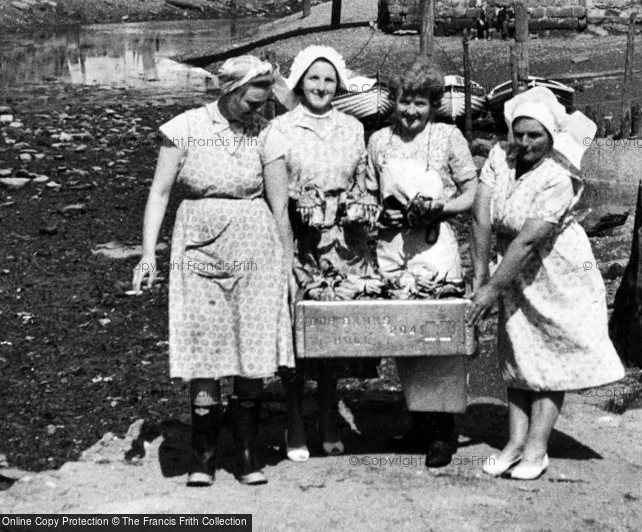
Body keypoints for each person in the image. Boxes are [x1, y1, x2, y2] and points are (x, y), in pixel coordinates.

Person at [132, 55, 295, 487]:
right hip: (196, 247)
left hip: (255, 243)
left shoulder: (267, 134)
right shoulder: (184, 128)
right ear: (229, 91)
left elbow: (280, 207)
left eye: (263, 103)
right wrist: (148, 254)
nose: (256, 111)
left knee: (252, 348)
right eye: (250, 103)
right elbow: (160, 192)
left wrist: (288, 262)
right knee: (203, 349)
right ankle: (203, 453)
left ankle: (245, 453)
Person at [468, 87, 625, 480]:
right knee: (517, 355)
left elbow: (528, 240)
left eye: (534, 135)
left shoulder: (558, 176)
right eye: (519, 134)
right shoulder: (498, 159)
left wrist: (491, 290)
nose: (525, 143)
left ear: (550, 137)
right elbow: (480, 218)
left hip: (557, 271)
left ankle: (536, 449)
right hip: (513, 271)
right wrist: (480, 276)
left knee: (549, 358)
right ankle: (514, 444)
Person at [265, 45, 379, 463]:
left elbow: (363, 181)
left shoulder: (352, 127)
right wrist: (299, 209)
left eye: (329, 80)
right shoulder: (279, 128)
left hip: (344, 243)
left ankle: (328, 413)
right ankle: (294, 417)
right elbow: (273, 195)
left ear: (339, 85)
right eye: (313, 78)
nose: (321, 87)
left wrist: (359, 205)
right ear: (298, 82)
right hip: (296, 239)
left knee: (332, 331)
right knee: (295, 330)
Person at [366, 55, 478, 468]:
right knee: (405, 334)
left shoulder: (448, 138)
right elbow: (366, 195)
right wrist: (383, 215)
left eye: (421, 104)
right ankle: (418, 420)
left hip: (435, 248)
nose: (411, 111)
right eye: (404, 102)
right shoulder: (379, 141)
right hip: (392, 249)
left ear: (434, 105)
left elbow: (472, 193)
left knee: (440, 338)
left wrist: (441, 209)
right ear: (393, 101)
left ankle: (443, 432)